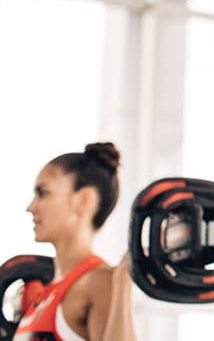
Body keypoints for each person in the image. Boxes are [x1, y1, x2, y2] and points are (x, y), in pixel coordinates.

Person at [15, 142, 136, 341]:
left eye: (43, 193)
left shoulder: (99, 281)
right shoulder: (45, 293)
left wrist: (122, 282)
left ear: (84, 200)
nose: (31, 207)